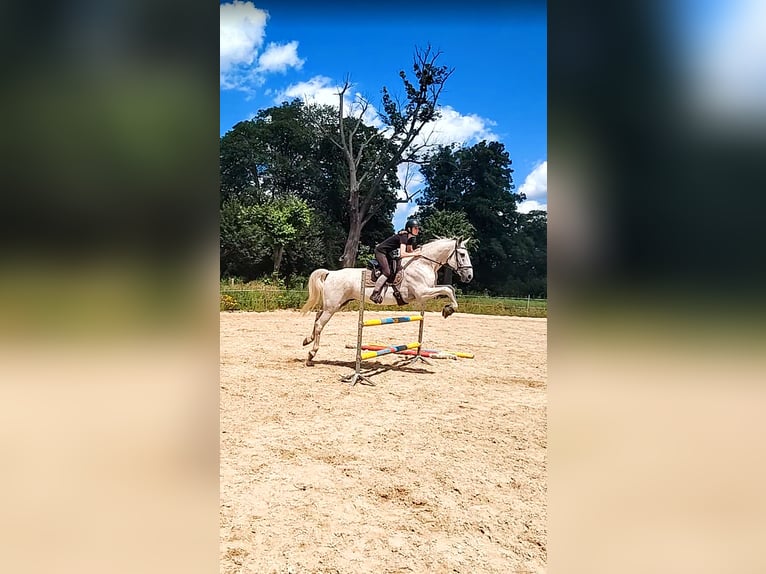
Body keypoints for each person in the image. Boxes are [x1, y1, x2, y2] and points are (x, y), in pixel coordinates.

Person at [370, 218, 421, 304]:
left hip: (388, 253)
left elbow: (410, 251)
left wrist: (418, 252)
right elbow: (403, 254)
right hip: (381, 252)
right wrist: (416, 254)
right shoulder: (404, 236)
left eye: (418, 228)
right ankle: (375, 294)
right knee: (387, 272)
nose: (417, 230)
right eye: (415, 228)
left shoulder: (411, 238)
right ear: (409, 229)